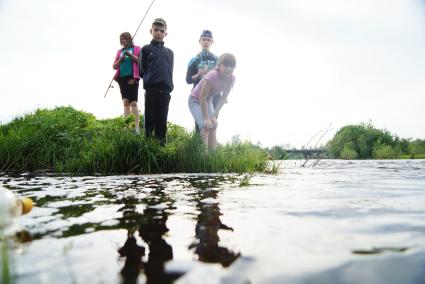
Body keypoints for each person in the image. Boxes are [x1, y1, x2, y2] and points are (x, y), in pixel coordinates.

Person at [188, 53, 236, 151]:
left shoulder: (231, 79)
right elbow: (202, 97)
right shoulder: (212, 75)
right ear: (219, 65)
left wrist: (213, 115)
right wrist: (206, 118)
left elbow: (222, 99)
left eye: (232, 66)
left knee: (214, 124)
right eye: (226, 65)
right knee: (205, 127)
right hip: (195, 100)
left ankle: (212, 156)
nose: (229, 68)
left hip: (208, 101)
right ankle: (203, 157)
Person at [140, 18, 174, 145]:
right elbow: (141, 69)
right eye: (156, 30)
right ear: (151, 31)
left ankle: (161, 143)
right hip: (151, 88)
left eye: (162, 30)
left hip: (165, 89)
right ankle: (148, 142)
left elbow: (171, 69)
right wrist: (150, 79)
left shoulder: (170, 52)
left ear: (166, 33)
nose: (159, 33)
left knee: (162, 116)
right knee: (149, 115)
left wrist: (169, 83)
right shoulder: (146, 49)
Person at [186, 30, 218, 133]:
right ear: (199, 41)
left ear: (212, 42)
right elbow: (188, 80)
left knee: (213, 123)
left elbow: (223, 77)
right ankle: (197, 146)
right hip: (198, 94)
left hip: (214, 95)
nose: (206, 42)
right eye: (204, 39)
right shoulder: (194, 59)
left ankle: (211, 148)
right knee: (200, 123)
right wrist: (198, 74)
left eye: (208, 40)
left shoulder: (217, 59)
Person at [113, 32, 141, 133]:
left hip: (133, 77)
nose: (123, 41)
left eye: (125, 39)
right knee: (125, 102)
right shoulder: (119, 51)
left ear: (129, 39)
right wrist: (121, 59)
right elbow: (114, 66)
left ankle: (137, 128)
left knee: (133, 103)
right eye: (121, 39)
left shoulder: (137, 48)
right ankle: (126, 127)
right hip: (121, 78)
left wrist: (129, 54)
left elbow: (139, 61)